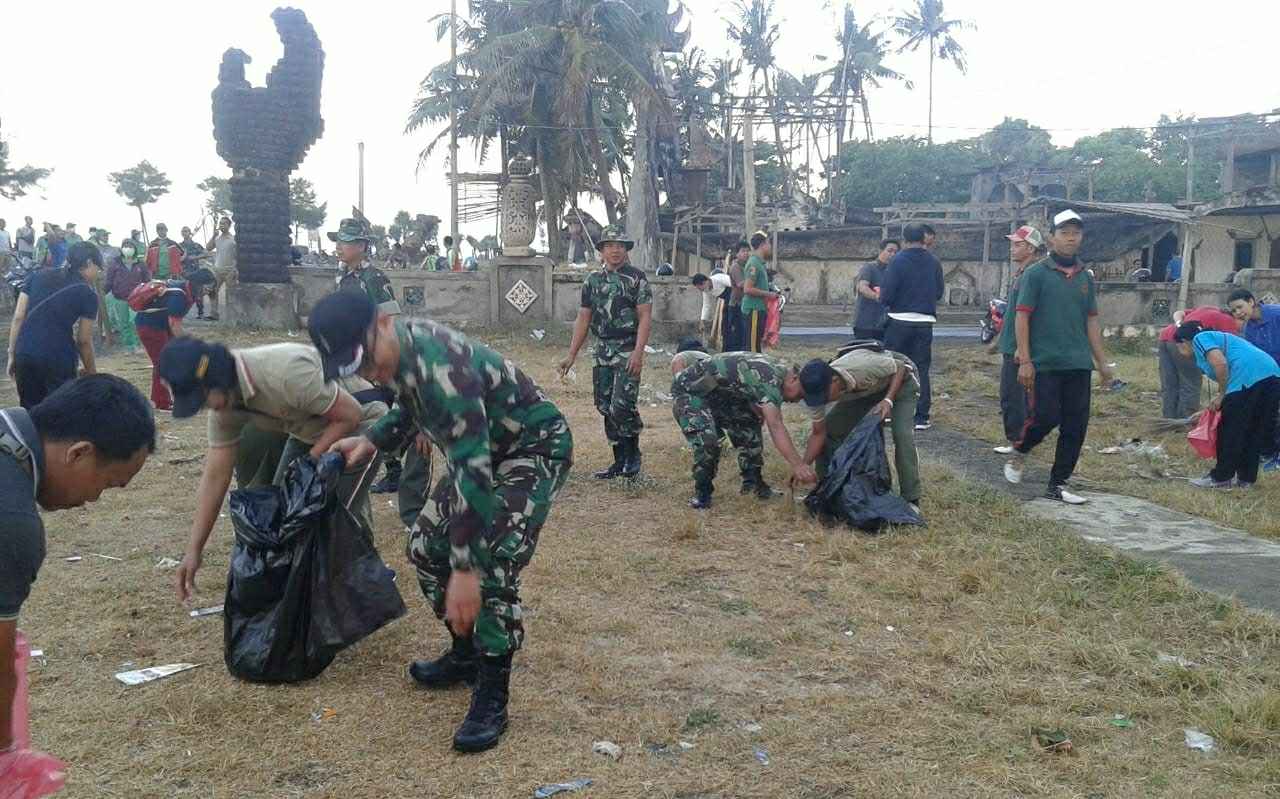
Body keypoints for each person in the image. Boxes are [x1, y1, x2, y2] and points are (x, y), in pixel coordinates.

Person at [309, 291, 574, 753]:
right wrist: (370, 441)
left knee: (489, 561)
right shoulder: (397, 355)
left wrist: (466, 570)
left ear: (382, 323)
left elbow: (473, 469)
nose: (369, 374)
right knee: (426, 548)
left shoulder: (442, 364)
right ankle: (466, 653)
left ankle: (492, 690)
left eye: (367, 359)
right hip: (482, 451)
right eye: (357, 368)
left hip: (530, 450)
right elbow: (410, 406)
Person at [0, 375, 155, 761]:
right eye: (106, 484)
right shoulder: (12, 524)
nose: (94, 498)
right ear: (79, 453)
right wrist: (6, 759)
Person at [167, 336, 390, 601]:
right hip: (310, 429)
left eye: (203, 400)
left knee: (325, 520)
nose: (207, 408)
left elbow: (350, 415)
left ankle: (351, 594)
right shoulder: (225, 404)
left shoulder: (285, 373)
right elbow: (216, 476)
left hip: (362, 424)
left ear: (215, 378)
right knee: (285, 514)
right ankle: (310, 593)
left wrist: (309, 463)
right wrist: (194, 549)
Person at [1004, 210, 1115, 505]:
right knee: (1045, 417)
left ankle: (1058, 483)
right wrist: (1025, 360)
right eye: (1064, 233)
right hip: (1044, 362)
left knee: (1076, 425)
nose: (1071, 238)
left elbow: (1091, 320)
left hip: (1078, 362)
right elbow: (1022, 317)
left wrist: (1102, 362)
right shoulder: (1036, 274)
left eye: (1076, 233)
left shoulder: (1085, 277)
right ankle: (1021, 449)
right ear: (1052, 238)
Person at [558, 224, 653, 479]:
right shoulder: (592, 280)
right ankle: (618, 460)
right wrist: (571, 355)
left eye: (620, 246)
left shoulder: (637, 278)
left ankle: (632, 456)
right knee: (604, 405)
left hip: (627, 348)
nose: (615, 250)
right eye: (610, 246)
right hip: (602, 349)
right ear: (601, 250)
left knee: (622, 405)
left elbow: (645, 317)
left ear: (626, 250)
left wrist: (638, 353)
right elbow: (584, 318)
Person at [798, 344, 922, 511]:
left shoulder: (861, 366)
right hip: (866, 389)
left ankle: (911, 498)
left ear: (834, 381)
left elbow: (901, 367)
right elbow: (819, 432)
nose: (823, 401)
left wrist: (888, 400)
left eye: (824, 396)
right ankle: (827, 489)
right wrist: (803, 466)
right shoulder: (817, 390)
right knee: (830, 431)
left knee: (902, 435)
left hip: (901, 382)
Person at [670, 341, 786, 507]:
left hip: (717, 395)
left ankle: (753, 483)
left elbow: (739, 385)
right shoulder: (687, 357)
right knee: (707, 441)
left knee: (748, 423)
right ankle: (703, 493)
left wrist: (753, 407)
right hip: (690, 393)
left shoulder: (709, 361)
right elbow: (678, 372)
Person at [1174, 321, 1280, 486]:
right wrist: (1209, 409)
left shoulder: (1199, 339)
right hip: (1272, 376)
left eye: (1178, 346)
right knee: (1254, 429)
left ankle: (1221, 477)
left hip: (1247, 378)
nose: (1178, 350)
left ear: (1184, 341)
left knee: (1230, 430)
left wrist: (1221, 395)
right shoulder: (1220, 338)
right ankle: (1246, 479)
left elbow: (1220, 363)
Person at [6, 242, 102, 409]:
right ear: (89, 263)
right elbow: (83, 341)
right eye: (98, 269)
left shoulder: (36, 276)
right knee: (62, 413)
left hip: (26, 353)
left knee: (31, 412)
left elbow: (18, 317)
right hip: (58, 357)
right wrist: (92, 374)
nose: (98, 274)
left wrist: (12, 354)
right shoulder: (88, 294)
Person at [880, 222, 944, 430]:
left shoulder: (897, 261)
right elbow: (939, 292)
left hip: (899, 320)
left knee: (894, 367)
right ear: (924, 238)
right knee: (921, 369)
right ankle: (921, 417)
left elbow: (886, 294)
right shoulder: (934, 262)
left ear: (904, 239)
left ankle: (890, 412)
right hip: (924, 322)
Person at [991, 225, 1046, 453]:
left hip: (1019, 347)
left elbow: (1032, 315)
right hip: (1011, 343)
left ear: (1031, 248)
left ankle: (1019, 441)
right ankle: (1020, 438)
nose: (1012, 248)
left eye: (1018, 244)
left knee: (1015, 397)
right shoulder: (1021, 273)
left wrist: (1023, 349)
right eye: (1012, 244)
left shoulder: (1032, 275)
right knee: (1013, 395)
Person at [1157, 306, 1239, 419]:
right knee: (1190, 383)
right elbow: (1227, 351)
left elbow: (1178, 313)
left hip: (1165, 337)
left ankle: (1168, 420)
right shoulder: (1228, 320)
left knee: (1169, 383)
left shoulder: (1207, 308)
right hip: (1185, 342)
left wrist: (1179, 325)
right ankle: (1185, 421)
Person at [134, 280, 191, 411]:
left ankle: (166, 399)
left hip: (159, 325)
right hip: (151, 327)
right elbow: (174, 325)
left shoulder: (181, 290)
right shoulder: (179, 295)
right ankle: (161, 402)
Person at [330, 212, 399, 315]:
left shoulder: (374, 278)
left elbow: (390, 317)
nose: (338, 247)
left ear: (361, 246)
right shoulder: (341, 274)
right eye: (337, 241)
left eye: (344, 241)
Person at [103, 239, 148, 354]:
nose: (128, 248)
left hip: (137, 298)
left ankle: (137, 344)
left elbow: (146, 281)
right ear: (121, 248)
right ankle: (128, 346)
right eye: (125, 246)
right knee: (123, 323)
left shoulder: (140, 264)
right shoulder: (115, 263)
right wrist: (103, 293)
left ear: (135, 249)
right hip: (119, 298)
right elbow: (109, 280)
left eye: (130, 246)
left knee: (135, 321)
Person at [852, 239, 899, 341]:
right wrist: (877, 296)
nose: (893, 254)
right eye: (890, 251)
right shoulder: (869, 268)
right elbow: (862, 287)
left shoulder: (895, 271)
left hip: (886, 324)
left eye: (896, 252)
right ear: (881, 251)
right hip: (866, 324)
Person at [740, 231, 778, 353]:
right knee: (752, 349)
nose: (770, 247)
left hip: (759, 309)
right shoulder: (754, 264)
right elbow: (747, 289)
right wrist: (769, 294)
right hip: (753, 310)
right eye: (768, 243)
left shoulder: (760, 263)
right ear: (762, 245)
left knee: (756, 346)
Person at [1228, 289, 1280, 366]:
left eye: (1240, 307)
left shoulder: (1277, 314)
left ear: (1251, 302)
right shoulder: (1248, 330)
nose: (1237, 312)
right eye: (1233, 311)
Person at [205, 216, 237, 321]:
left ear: (229, 225)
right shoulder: (217, 238)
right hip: (217, 269)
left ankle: (231, 316)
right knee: (212, 291)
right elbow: (208, 248)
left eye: (224, 223)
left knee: (230, 293)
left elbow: (238, 255)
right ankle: (214, 314)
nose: (221, 225)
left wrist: (236, 269)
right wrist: (214, 235)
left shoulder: (233, 239)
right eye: (220, 223)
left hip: (230, 270)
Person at [722, 240, 750, 352]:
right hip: (736, 305)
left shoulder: (747, 266)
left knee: (744, 335)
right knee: (737, 335)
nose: (746, 253)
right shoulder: (735, 267)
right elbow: (741, 284)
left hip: (744, 304)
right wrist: (755, 280)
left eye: (747, 251)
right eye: (743, 251)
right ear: (737, 253)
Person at [179, 227, 212, 319]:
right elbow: (175, 258)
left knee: (198, 292)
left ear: (190, 233)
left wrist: (194, 257)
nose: (184, 233)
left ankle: (200, 312)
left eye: (186, 231)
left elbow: (206, 254)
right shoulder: (179, 246)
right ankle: (181, 313)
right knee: (182, 292)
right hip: (184, 273)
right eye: (183, 231)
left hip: (195, 272)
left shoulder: (196, 245)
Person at [691, 272, 732, 344]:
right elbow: (706, 305)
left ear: (705, 282)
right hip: (727, 300)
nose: (701, 290)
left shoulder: (719, 278)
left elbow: (734, 284)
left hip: (736, 298)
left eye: (701, 287)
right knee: (725, 324)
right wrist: (702, 321)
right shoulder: (705, 290)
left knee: (733, 322)